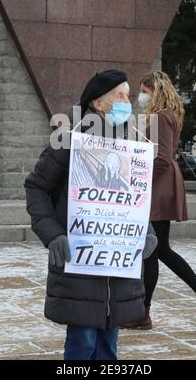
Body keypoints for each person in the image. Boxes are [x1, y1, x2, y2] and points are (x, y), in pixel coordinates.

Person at [24, 70, 157, 360]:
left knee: (109, 346)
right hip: (79, 264)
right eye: (120, 96)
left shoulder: (132, 145)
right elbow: (36, 188)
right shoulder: (69, 139)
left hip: (118, 268)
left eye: (129, 96)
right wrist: (53, 235)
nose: (128, 102)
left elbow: (132, 201)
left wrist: (147, 233)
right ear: (98, 103)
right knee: (82, 344)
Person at [121, 71, 196, 330]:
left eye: (144, 91)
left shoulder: (160, 117)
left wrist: (139, 179)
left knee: (152, 251)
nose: (141, 96)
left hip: (158, 186)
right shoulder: (167, 115)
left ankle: (143, 314)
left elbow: (163, 158)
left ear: (155, 91)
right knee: (158, 249)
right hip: (162, 184)